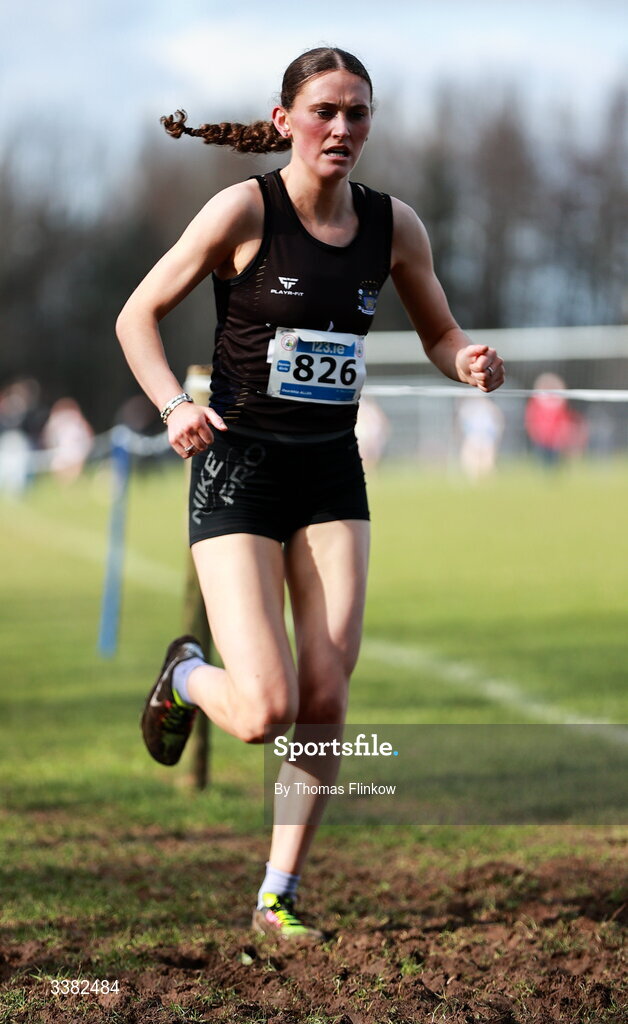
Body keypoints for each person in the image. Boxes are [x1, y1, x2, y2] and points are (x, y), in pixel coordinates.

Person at [115, 46, 505, 942]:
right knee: (262, 710)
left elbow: (440, 329)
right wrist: (175, 404)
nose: (343, 128)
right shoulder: (243, 209)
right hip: (240, 467)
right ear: (285, 118)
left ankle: (277, 894)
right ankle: (184, 673)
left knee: (325, 700)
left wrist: (468, 361)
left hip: (331, 472)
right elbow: (136, 316)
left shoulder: (393, 225)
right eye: (326, 110)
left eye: (359, 113)